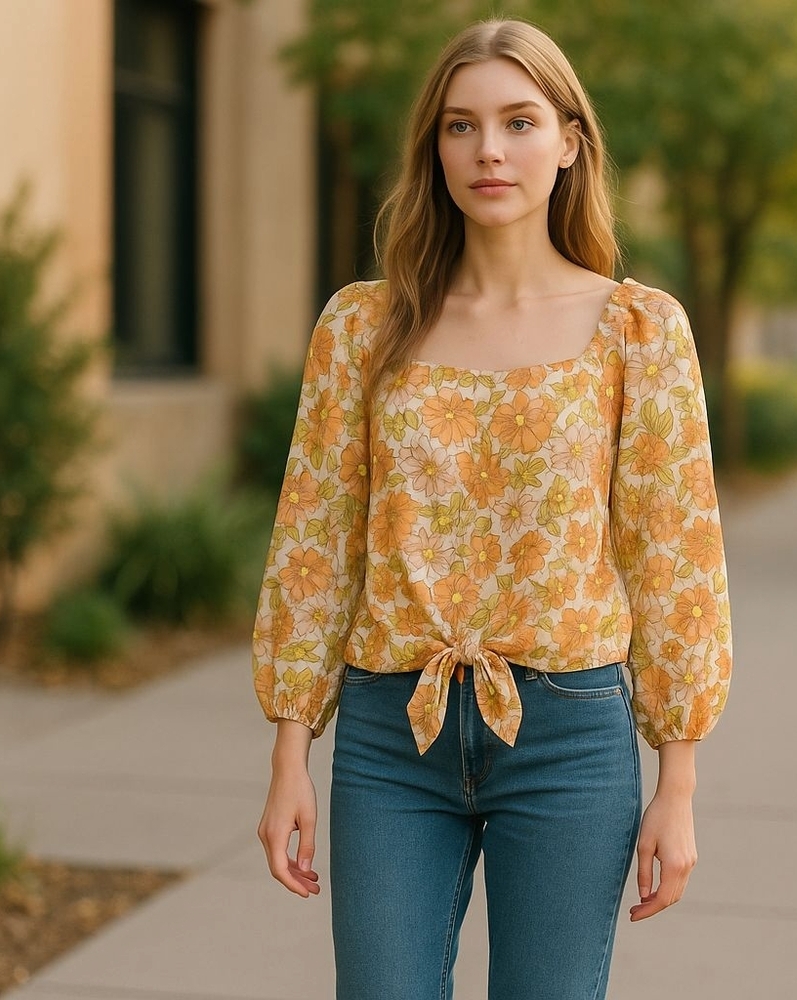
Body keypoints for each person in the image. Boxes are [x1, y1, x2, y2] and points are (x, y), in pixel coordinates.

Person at [252, 18, 732, 1000]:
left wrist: (676, 784)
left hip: (567, 732)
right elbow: (315, 542)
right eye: (460, 127)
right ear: (434, 149)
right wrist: (289, 752)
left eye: (518, 121)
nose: (489, 151)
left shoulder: (637, 330)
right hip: (393, 737)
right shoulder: (362, 327)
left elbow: (673, 557)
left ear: (569, 141)